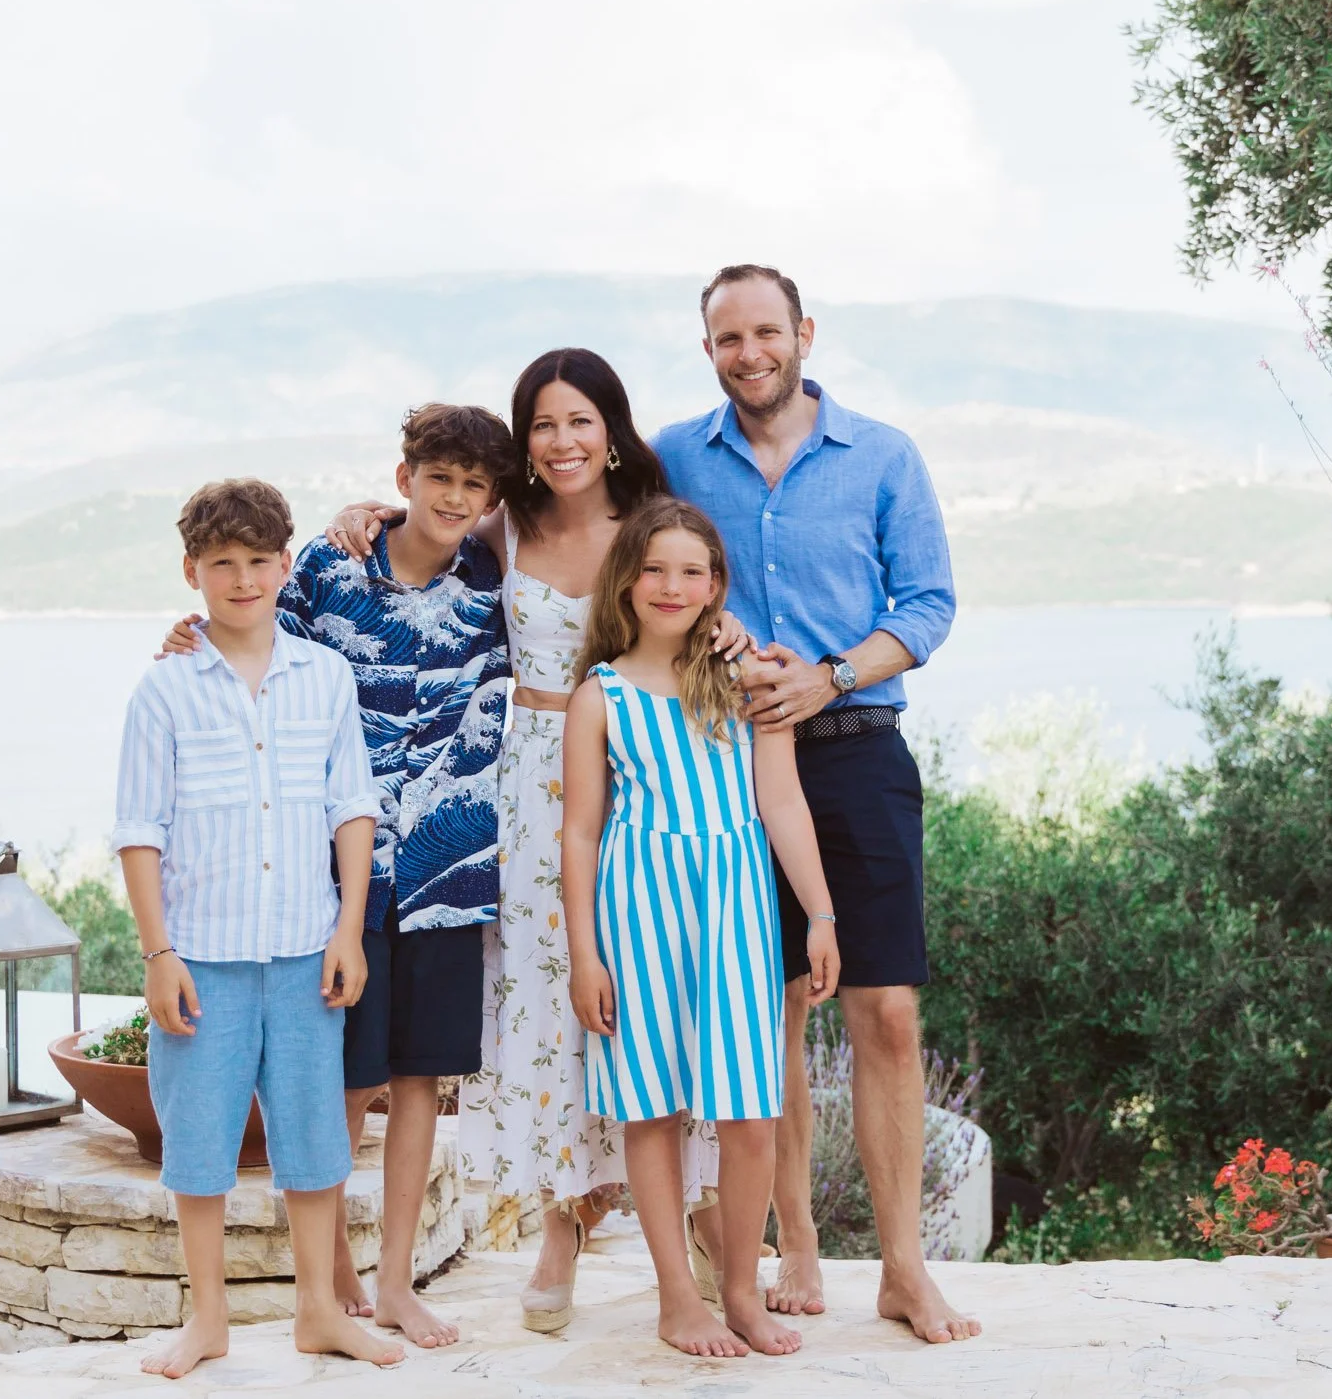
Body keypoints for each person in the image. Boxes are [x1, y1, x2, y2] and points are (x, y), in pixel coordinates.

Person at [323, 350, 729, 1331]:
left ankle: (702, 1224)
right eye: (543, 425)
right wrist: (359, 518)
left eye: (580, 420)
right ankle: (564, 1217)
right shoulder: (503, 525)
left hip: (638, 763)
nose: (563, 441)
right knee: (547, 1001)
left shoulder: (647, 525)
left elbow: (698, 614)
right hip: (522, 783)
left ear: (611, 427)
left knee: (648, 985)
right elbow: (416, 537)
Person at [651, 265, 980, 1344]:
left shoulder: (883, 454)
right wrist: (378, 515)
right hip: (724, 762)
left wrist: (831, 671)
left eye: (763, 331)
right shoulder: (671, 457)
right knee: (770, 1013)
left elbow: (927, 603)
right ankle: (792, 1242)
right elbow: (559, 512)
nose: (747, 352)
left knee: (883, 1010)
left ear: (802, 332)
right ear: (707, 349)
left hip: (855, 749)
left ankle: (900, 1267)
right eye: (726, 337)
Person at [161, 404, 516, 1348]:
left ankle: (395, 1278)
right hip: (335, 875)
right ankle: (335, 1272)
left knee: (418, 1078)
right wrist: (185, 633)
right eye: (439, 477)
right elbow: (250, 633)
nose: (455, 498)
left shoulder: (493, 574)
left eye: (475, 486)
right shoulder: (326, 563)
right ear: (405, 478)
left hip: (451, 861)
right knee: (341, 1080)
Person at [110, 478, 405, 1380]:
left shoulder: (326, 676)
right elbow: (139, 829)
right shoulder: (163, 691)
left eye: (258, 562)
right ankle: (208, 1320)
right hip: (202, 955)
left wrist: (349, 928)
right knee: (197, 1143)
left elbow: (352, 806)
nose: (242, 579)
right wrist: (159, 954)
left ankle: (319, 1310)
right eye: (221, 564)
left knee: (317, 1143)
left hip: (309, 951)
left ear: (286, 564)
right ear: (192, 570)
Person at [562, 498, 840, 1359]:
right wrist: (584, 953)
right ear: (627, 582)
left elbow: (782, 801)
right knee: (652, 1106)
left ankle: (742, 1293)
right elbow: (578, 831)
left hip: (738, 909)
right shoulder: (598, 695)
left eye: (692, 570)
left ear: (717, 584)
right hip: (639, 910)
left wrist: (822, 913)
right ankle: (677, 1298)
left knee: (750, 1109)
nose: (672, 585)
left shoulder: (747, 679)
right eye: (654, 568)